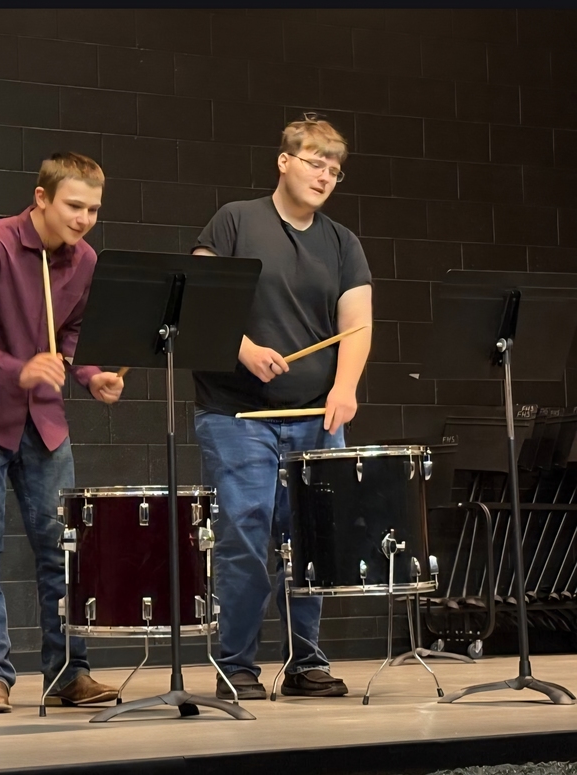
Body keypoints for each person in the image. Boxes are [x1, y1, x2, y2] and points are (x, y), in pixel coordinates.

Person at [191, 115, 372, 700]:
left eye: (335, 170)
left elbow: (357, 323)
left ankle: (306, 661)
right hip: (238, 413)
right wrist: (242, 350)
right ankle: (236, 665)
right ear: (284, 161)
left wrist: (344, 388)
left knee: (313, 538)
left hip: (316, 414)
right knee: (245, 530)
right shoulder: (236, 221)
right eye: (316, 162)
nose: (326, 175)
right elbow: (200, 295)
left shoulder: (343, 242)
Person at [0, 153, 125, 713]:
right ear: (42, 198)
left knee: (64, 551)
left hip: (44, 421)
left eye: (93, 208)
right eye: (74, 205)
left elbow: (70, 336)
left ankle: (70, 672)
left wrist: (91, 376)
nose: (84, 218)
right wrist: (15, 367)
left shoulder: (85, 259)